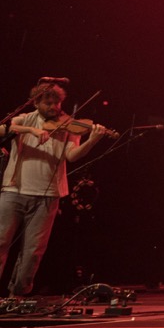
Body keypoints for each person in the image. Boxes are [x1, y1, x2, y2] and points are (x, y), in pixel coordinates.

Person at [1, 78, 109, 297]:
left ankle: (17, 296)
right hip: (14, 191)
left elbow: (72, 155)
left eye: (57, 103)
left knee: (33, 251)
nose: (54, 107)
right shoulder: (24, 119)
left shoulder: (69, 124)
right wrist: (31, 131)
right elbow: (5, 129)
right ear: (36, 103)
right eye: (48, 103)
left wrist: (92, 141)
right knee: (0, 242)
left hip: (48, 196)